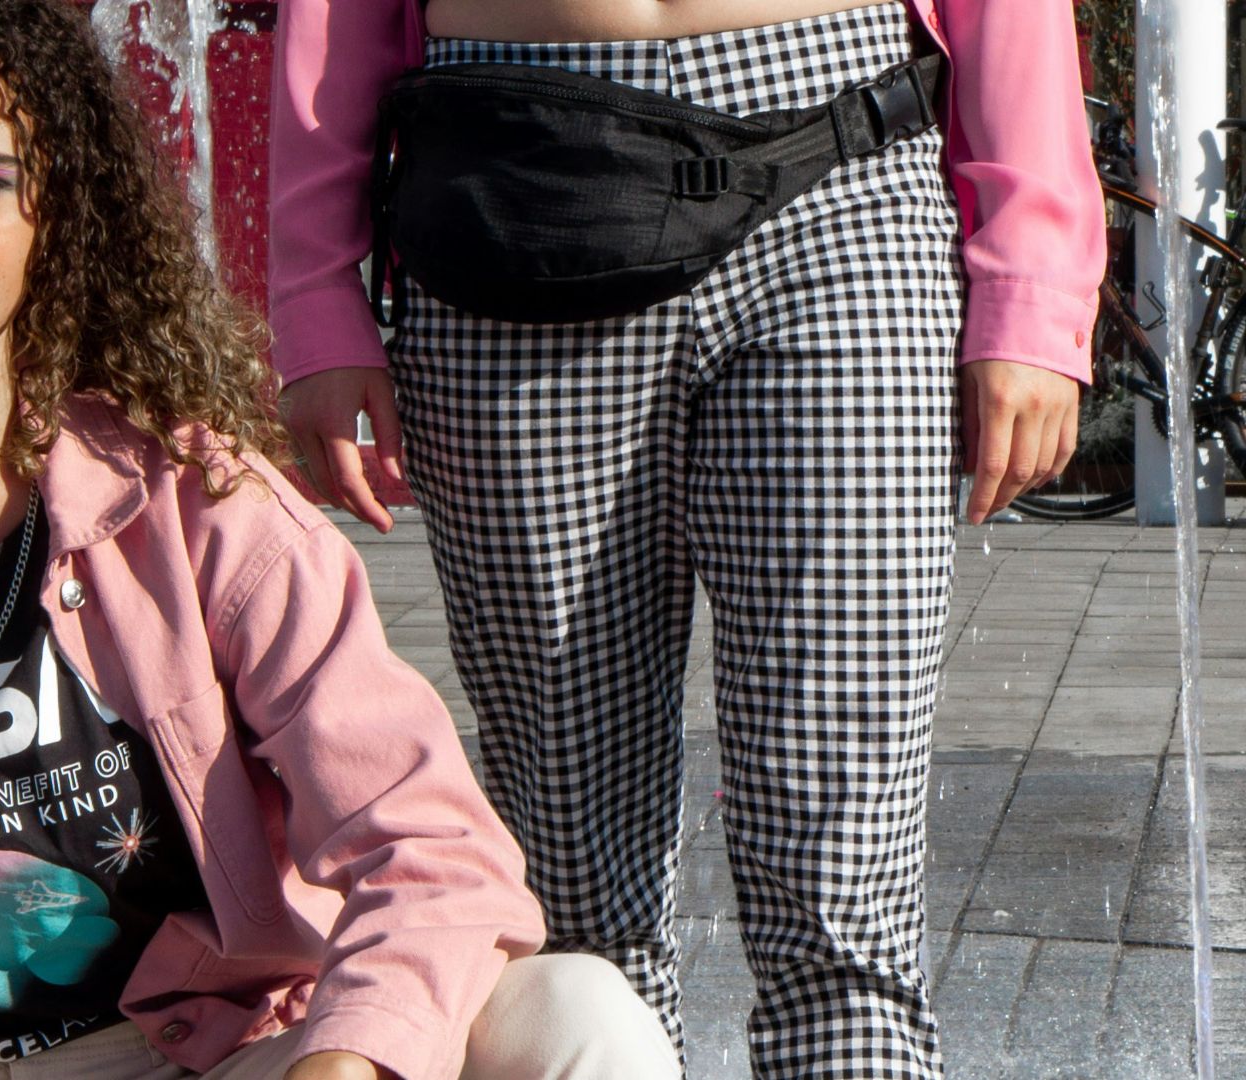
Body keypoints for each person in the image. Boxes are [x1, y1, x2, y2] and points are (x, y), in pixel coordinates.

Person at [0, 2, 680, 1077]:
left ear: (54, 214)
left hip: (212, 1056)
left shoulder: (198, 510)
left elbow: (436, 855)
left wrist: (350, 1058)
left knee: (574, 1018)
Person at [268, 1, 1101, 1077]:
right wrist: (314, 291)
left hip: (838, 177)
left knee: (844, 903)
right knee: (573, 906)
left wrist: (1033, 276)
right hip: (515, 188)